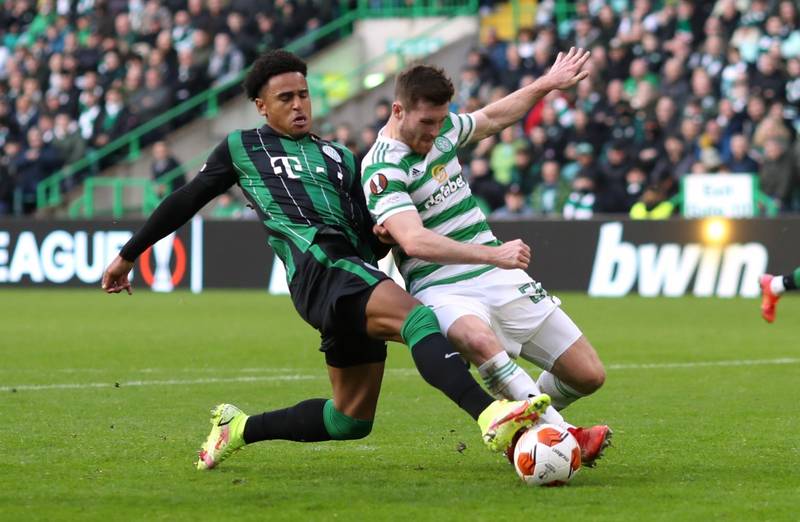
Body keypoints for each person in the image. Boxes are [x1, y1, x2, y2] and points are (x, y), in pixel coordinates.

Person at [100, 50, 549, 471]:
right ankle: (492, 414)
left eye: (303, 95)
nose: (299, 105)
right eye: (285, 98)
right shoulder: (242, 148)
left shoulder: (340, 158)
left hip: (353, 272)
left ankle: (238, 427)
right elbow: (186, 198)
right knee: (419, 320)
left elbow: (368, 241)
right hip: (318, 269)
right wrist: (127, 255)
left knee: (350, 420)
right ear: (261, 106)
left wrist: (379, 238)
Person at [361, 49, 611, 466]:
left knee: (588, 375)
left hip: (494, 270)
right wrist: (493, 254)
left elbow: (492, 118)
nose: (435, 132)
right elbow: (416, 241)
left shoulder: (442, 131)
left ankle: (529, 428)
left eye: (442, 121)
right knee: (479, 340)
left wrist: (546, 83)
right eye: (426, 122)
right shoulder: (381, 169)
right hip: (439, 284)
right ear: (398, 110)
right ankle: (564, 437)